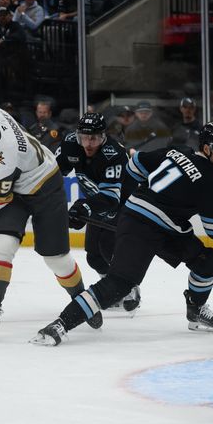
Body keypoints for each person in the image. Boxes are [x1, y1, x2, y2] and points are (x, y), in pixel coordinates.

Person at [30, 123, 213, 346]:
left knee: (207, 262)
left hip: (162, 226)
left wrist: (129, 204)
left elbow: (135, 165)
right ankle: (60, 324)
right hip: (145, 227)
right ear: (206, 148)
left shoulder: (177, 151)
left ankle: (195, 311)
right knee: (119, 283)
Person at [0, 92, 91, 337]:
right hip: (16, 185)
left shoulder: (3, 158)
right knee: (2, 245)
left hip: (45, 185)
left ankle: (82, 300)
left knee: (57, 259)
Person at [55, 113, 139, 311]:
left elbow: (110, 199)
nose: (88, 144)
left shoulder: (114, 153)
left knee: (108, 247)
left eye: (94, 138)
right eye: (84, 138)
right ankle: (112, 288)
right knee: (94, 257)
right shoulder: (70, 144)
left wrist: (84, 207)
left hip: (125, 204)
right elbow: (52, 174)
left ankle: (128, 287)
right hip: (96, 200)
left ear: (103, 136)